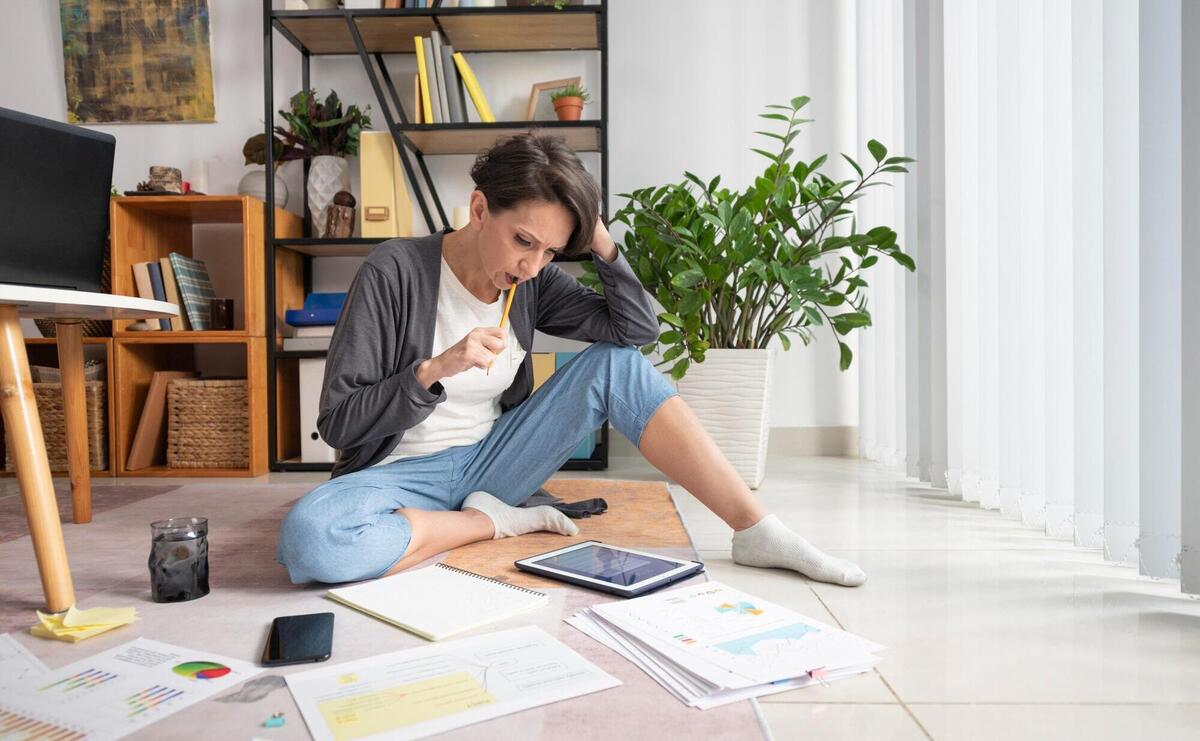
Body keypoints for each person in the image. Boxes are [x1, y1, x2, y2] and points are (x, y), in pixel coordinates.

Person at [277, 133, 866, 588]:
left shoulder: (529, 282)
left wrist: (601, 241)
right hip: (397, 475)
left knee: (619, 367)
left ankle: (757, 530)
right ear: (479, 208)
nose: (533, 264)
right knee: (312, 542)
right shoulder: (395, 271)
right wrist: (432, 371)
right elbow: (337, 422)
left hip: (495, 461)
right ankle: (492, 523)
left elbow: (635, 331)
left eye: (553, 249)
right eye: (524, 241)